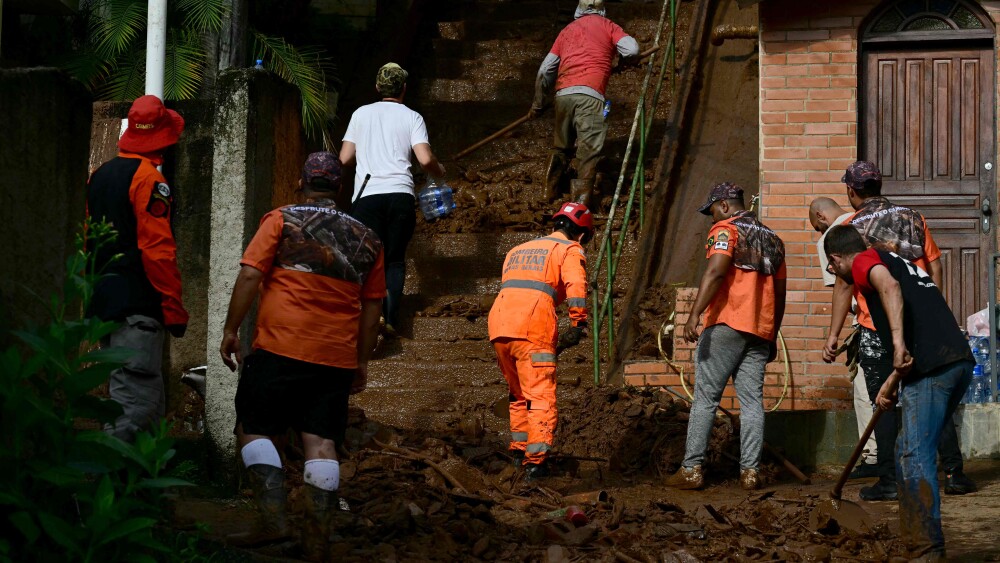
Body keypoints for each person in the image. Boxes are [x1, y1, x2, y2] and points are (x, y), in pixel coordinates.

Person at [219, 152, 384, 559]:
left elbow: (250, 274)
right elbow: (373, 309)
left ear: (301, 182)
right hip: (335, 357)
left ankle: (273, 523)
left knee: (253, 428)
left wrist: (230, 329)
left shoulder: (280, 220)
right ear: (339, 189)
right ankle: (316, 539)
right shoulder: (369, 238)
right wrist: (361, 360)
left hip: (280, 346)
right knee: (321, 441)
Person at [821, 162, 975, 501]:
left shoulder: (850, 229)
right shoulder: (914, 217)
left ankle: (889, 479)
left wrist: (833, 334)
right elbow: (933, 264)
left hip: (879, 327)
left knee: (884, 404)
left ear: (852, 191)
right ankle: (953, 472)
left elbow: (845, 287)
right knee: (931, 394)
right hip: (922, 326)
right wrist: (928, 307)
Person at [824, 225, 973, 561]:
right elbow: (917, 320)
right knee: (908, 447)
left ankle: (926, 549)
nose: (837, 277)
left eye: (833, 269)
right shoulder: (895, 260)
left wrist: (896, 344)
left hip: (935, 368)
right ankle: (916, 541)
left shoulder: (864, 261)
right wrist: (892, 382)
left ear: (836, 259)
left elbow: (889, 289)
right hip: (955, 361)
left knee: (914, 454)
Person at [668, 183, 786, 491]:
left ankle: (691, 468)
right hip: (760, 330)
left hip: (727, 323)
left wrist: (694, 314)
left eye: (711, 213)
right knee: (752, 402)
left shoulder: (725, 230)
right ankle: (750, 472)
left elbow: (716, 271)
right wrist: (771, 333)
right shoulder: (773, 239)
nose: (711, 219)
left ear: (723, 205)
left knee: (706, 398)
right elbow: (781, 293)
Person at [86, 95, 188, 443]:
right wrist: (173, 308)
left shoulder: (100, 176)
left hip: (105, 301)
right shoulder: (149, 180)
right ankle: (114, 486)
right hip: (138, 305)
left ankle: (134, 489)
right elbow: (157, 251)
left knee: (130, 395)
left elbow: (87, 239)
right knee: (135, 405)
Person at [339, 62, 447, 338]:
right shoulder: (412, 117)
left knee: (367, 259)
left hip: (367, 196)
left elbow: (344, 159)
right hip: (400, 195)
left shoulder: (361, 114)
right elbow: (425, 159)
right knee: (395, 260)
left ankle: (365, 319)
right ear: (404, 89)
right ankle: (389, 318)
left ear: (377, 87)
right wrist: (440, 171)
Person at [488, 202, 593, 481]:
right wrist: (578, 323)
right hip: (532, 328)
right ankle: (536, 465)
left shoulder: (517, 250)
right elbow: (575, 285)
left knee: (518, 395)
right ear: (581, 235)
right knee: (540, 397)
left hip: (499, 326)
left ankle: (519, 453)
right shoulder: (570, 249)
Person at [531, 0, 639, 206]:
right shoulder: (608, 26)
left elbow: (545, 71)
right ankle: (579, 205)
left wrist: (538, 103)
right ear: (602, 9)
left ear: (578, 10)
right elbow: (632, 50)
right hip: (590, 95)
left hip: (563, 95)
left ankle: (548, 193)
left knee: (561, 146)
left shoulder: (566, 31)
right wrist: (627, 60)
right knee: (588, 150)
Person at [809, 197, 878, 479]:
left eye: (816, 227)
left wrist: (833, 335)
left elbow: (842, 286)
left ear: (820, 217)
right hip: (901, 316)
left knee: (865, 391)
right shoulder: (874, 220)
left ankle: (873, 456)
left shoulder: (835, 237)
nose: (818, 232)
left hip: (867, 320)